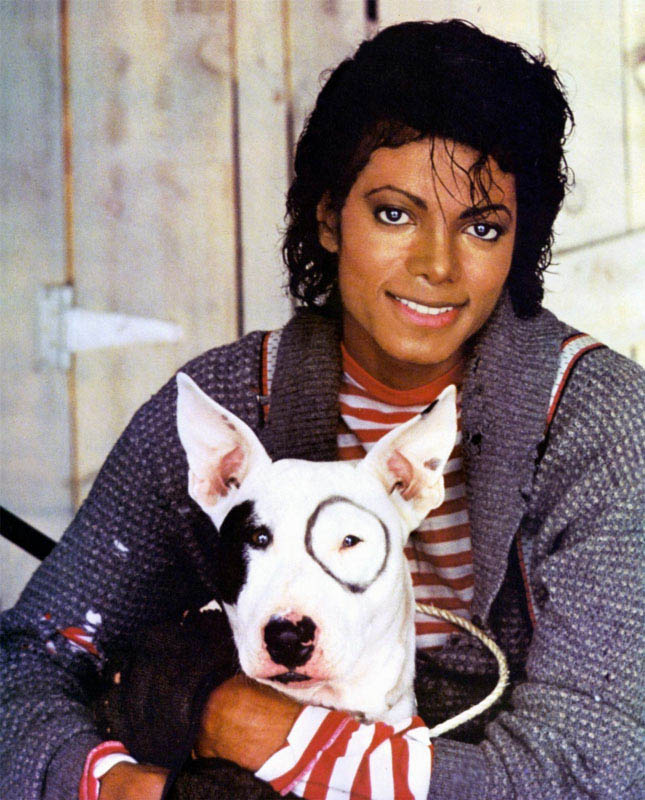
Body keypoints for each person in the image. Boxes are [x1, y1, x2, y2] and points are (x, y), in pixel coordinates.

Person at [1, 18, 644, 800]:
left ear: (519, 241)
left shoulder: (597, 425)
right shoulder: (232, 408)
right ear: (328, 217)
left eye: (481, 227)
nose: (436, 266)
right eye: (394, 214)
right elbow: (29, 660)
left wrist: (267, 733)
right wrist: (129, 789)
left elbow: (593, 773)